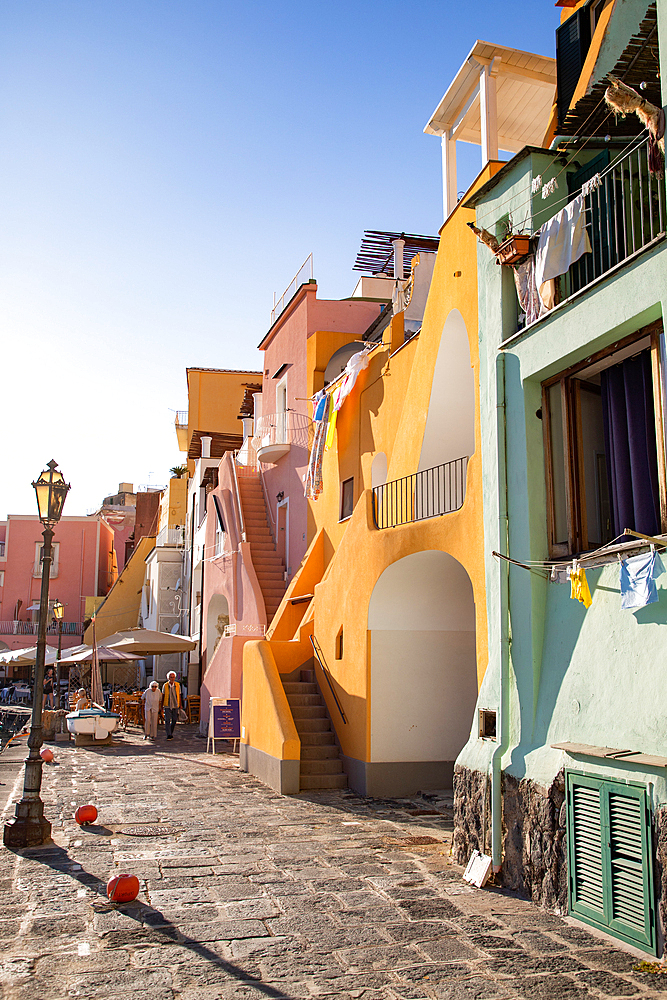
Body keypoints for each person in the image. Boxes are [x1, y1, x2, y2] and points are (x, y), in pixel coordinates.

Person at [162, 671, 181, 740]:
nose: (172, 678)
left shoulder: (177, 685)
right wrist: (162, 705)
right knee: (167, 720)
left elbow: (179, 694)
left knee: (174, 719)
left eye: (173, 677)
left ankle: (171, 732)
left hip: (175, 705)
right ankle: (169, 734)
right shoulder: (165, 685)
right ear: (168, 678)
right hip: (167, 704)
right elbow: (163, 695)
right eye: (170, 677)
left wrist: (180, 704)